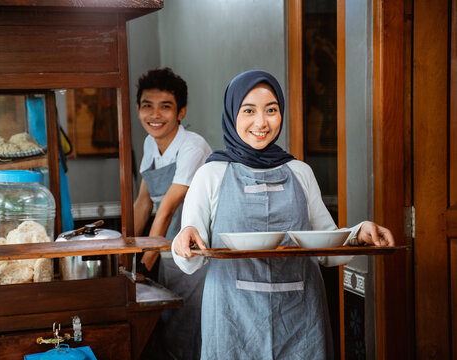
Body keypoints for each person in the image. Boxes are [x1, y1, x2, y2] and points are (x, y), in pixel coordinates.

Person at [172, 70, 394, 359]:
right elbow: (189, 260)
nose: (261, 122)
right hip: (231, 316)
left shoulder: (300, 172)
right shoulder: (211, 174)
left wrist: (358, 234)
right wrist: (185, 240)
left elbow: (326, 250)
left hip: (300, 315)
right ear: (231, 114)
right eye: (248, 110)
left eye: (271, 110)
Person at [133, 67, 212, 360]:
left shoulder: (192, 146)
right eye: (147, 106)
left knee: (190, 327)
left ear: (181, 112)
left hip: (196, 255)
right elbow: (143, 203)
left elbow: (166, 209)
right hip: (166, 252)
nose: (155, 115)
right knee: (168, 329)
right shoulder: (149, 144)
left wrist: (140, 267)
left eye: (165, 107)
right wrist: (121, 254)